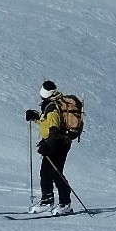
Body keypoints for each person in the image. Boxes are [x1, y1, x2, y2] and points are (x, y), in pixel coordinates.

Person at [24, 80, 79, 214]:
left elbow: (54, 129)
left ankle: (65, 203)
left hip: (58, 144)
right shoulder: (51, 105)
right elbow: (47, 123)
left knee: (55, 173)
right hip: (55, 143)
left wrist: (48, 144)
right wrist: (35, 117)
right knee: (46, 173)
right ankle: (47, 200)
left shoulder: (52, 107)